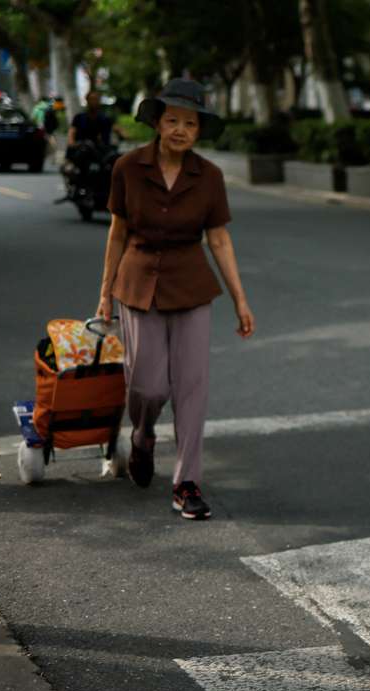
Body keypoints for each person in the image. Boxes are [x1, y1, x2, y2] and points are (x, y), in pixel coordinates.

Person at [94, 78, 255, 521]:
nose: (180, 129)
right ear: (157, 123)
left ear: (199, 130)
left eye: (189, 123)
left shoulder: (210, 177)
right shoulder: (127, 168)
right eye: (172, 121)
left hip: (191, 286)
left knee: (191, 389)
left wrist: (241, 300)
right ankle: (143, 437)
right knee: (147, 385)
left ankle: (186, 482)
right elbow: (117, 233)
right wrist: (104, 295)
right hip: (136, 283)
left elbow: (219, 240)